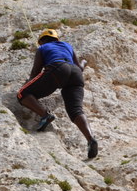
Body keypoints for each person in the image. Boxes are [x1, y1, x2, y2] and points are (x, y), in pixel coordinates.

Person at [17, 29, 99, 159]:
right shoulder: (67, 46)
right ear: (57, 39)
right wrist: (84, 62)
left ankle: (45, 115)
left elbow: (36, 72)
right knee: (76, 110)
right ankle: (90, 139)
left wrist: (29, 83)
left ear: (42, 41)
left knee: (22, 93)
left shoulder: (43, 48)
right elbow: (80, 67)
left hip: (58, 68)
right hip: (76, 74)